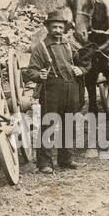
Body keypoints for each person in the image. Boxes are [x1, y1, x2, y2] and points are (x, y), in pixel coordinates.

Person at [26, 10, 85, 175]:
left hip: (70, 88)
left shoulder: (69, 45)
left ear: (64, 28)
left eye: (60, 27)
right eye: (54, 27)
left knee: (69, 123)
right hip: (51, 91)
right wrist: (39, 75)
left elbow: (84, 61)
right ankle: (44, 163)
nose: (58, 30)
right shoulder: (40, 47)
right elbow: (31, 72)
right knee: (49, 125)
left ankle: (66, 159)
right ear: (48, 28)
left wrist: (80, 69)